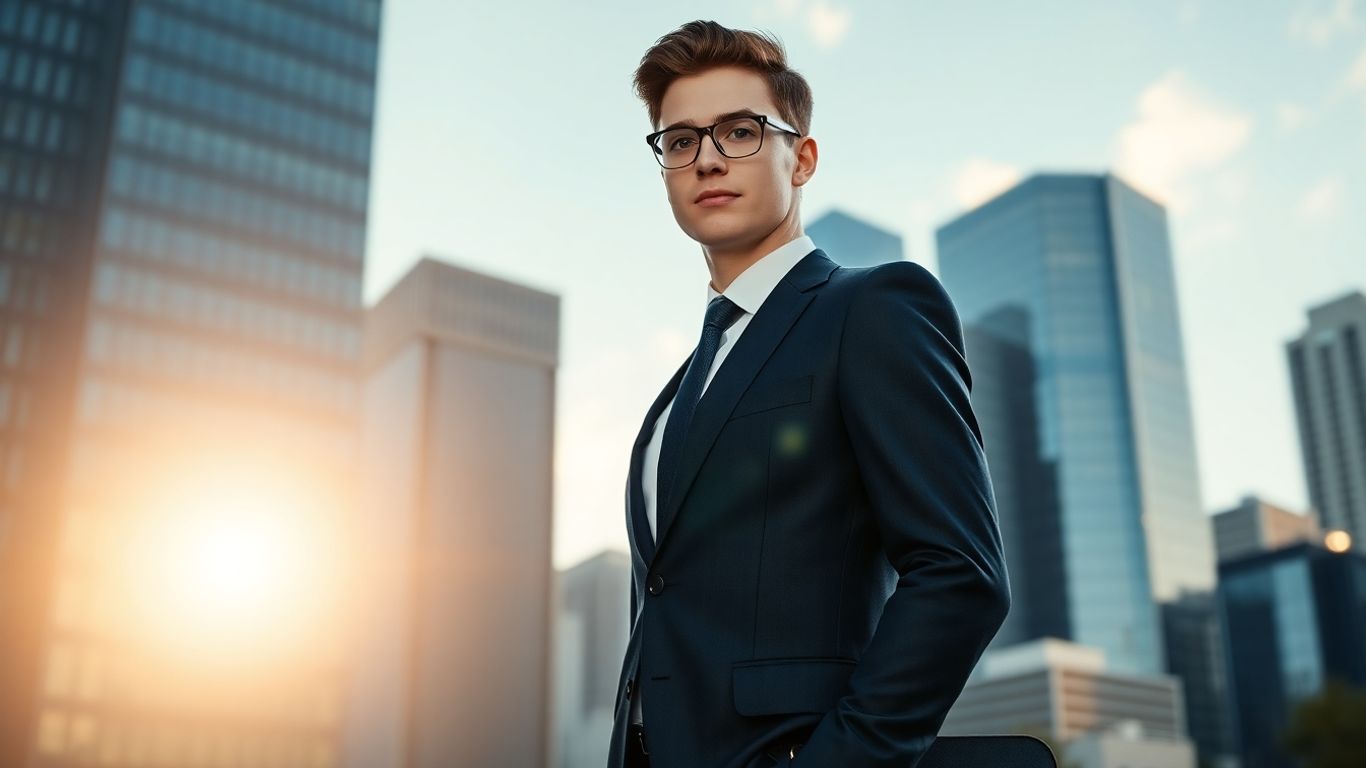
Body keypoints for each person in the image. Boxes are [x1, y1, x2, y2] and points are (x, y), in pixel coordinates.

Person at [608, 20, 1011, 768]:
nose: (707, 160)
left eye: (739, 131)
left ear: (803, 158)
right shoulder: (673, 396)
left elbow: (961, 575)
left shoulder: (874, 308)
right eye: (681, 141)